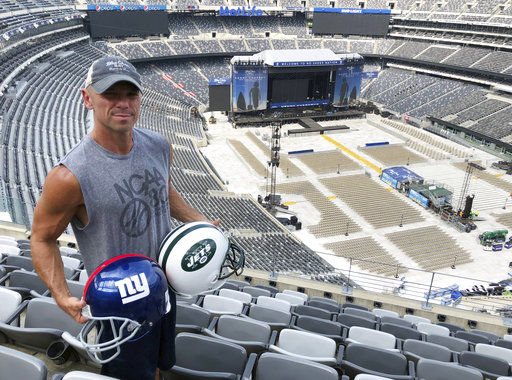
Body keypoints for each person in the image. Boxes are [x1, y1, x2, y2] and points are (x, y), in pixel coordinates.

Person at [31, 56, 218, 380]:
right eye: (110, 94)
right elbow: (42, 238)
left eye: (130, 94)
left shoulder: (159, 145)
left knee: (159, 364)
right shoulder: (69, 176)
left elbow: (162, 189)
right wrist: (61, 295)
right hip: (122, 303)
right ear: (87, 98)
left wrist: (197, 221)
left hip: (164, 286)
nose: (123, 103)